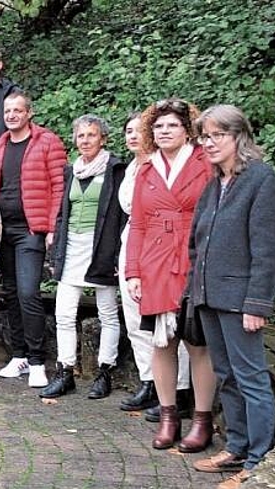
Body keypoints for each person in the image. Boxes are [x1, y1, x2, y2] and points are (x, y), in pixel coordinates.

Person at [188, 105, 275, 489]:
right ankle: (237, 447)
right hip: (211, 295)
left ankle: (258, 461)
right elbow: (198, 241)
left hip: (241, 299)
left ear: (238, 136)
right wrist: (196, 286)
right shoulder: (215, 184)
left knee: (251, 378)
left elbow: (269, 251)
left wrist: (257, 304)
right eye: (204, 137)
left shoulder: (261, 181)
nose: (208, 144)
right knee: (226, 375)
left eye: (216, 136)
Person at [125, 98, 215, 453]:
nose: (164, 131)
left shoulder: (205, 163)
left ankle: (202, 420)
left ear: (187, 128)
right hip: (155, 261)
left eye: (172, 125)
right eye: (158, 126)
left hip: (194, 257)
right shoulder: (146, 169)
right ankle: (168, 417)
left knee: (198, 342)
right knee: (161, 342)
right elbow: (138, 224)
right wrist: (133, 271)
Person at [43, 115, 126, 399]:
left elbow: (121, 215)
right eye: (81, 136)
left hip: (101, 248)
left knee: (107, 314)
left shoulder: (116, 170)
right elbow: (62, 215)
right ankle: (65, 371)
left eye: (92, 135)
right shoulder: (71, 171)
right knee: (64, 313)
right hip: (72, 247)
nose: (86, 140)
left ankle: (105, 371)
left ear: (103, 138)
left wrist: (117, 254)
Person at [0, 90, 67, 387]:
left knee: (28, 292)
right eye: (7, 111)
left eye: (17, 110)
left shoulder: (47, 142)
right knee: (10, 292)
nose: (11, 115)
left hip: (30, 230)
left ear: (29, 113)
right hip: (3, 231)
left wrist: (50, 229)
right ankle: (18, 354)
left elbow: (59, 187)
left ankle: (37, 360)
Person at [117, 113, 192, 417]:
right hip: (136, 241)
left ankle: (181, 388)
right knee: (136, 318)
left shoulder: (170, 167)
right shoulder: (134, 169)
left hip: (169, 245)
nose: (133, 136)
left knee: (173, 321)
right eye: (129, 131)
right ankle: (149, 381)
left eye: (138, 130)